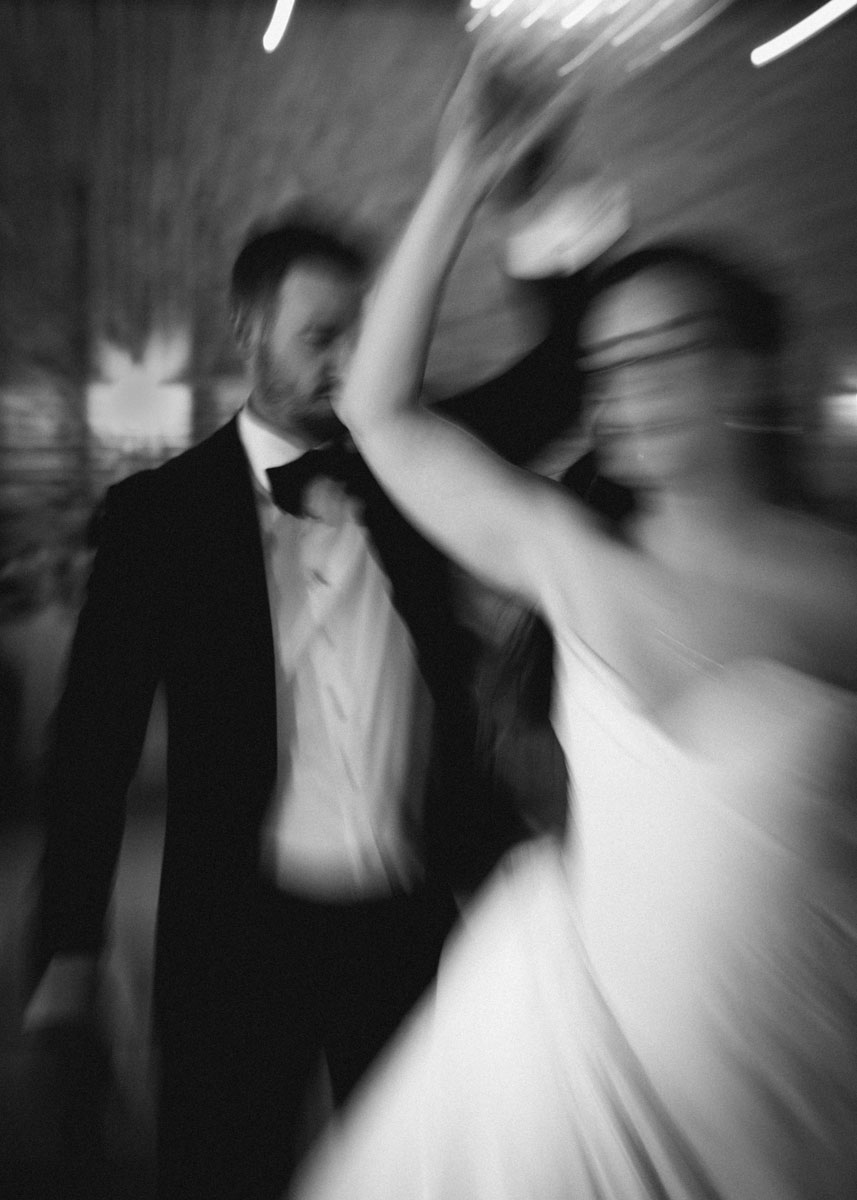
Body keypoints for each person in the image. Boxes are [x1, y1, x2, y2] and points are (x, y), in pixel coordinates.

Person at [286, 61, 857, 1200]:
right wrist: (463, 168)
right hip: (571, 1070)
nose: (624, 390)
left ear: (746, 367)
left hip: (787, 1081)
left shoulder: (837, 589)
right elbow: (380, 412)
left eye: (660, 355)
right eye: (605, 368)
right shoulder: (568, 555)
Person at [22, 207, 577, 1200]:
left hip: (407, 910)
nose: (350, 360)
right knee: (222, 1169)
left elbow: (563, 375)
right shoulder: (162, 517)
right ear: (247, 328)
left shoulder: (417, 459)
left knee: (416, 1174)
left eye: (364, 334)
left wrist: (535, 208)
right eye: (321, 334)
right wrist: (70, 947)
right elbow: (92, 745)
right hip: (235, 927)